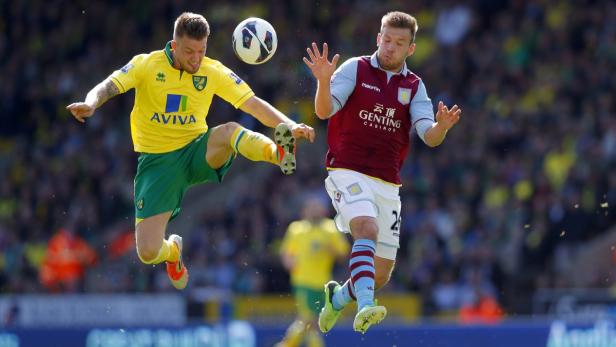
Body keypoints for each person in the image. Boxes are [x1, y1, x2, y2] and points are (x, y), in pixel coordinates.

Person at [66, 12, 315, 290]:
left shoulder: (212, 71)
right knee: (147, 251)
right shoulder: (147, 65)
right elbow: (110, 85)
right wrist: (91, 103)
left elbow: (253, 104)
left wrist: (291, 125)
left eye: (201, 51)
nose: (196, 58)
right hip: (158, 163)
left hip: (198, 150)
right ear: (174, 46)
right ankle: (173, 251)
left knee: (229, 131)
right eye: (189, 52)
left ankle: (278, 153)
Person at [303, 11, 461, 333]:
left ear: (410, 49)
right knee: (366, 229)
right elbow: (323, 111)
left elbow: (428, 136)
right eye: (386, 40)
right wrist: (322, 81)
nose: (390, 47)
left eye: (399, 43)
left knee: (381, 274)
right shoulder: (354, 69)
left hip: (387, 183)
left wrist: (441, 128)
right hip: (347, 170)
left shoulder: (414, 86)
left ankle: (337, 298)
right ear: (378, 38)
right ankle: (365, 306)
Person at [275, 197, 349, 347]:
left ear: (324, 210)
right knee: (310, 320)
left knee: (308, 321)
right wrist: (289, 263)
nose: (314, 210)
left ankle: (286, 344)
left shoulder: (331, 229)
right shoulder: (296, 229)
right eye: (311, 207)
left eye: (317, 207)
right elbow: (285, 252)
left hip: (323, 284)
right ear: (304, 210)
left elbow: (343, 252)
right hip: (302, 281)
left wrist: (330, 249)